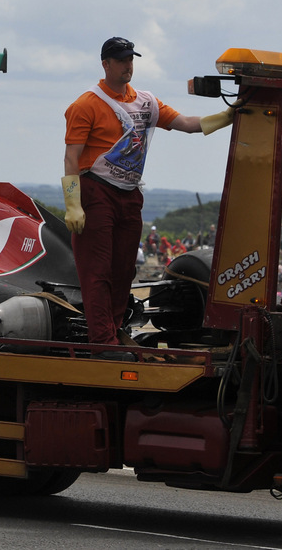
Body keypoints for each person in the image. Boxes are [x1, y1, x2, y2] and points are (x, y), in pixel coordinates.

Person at [62, 36, 235, 351]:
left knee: (125, 268)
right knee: (97, 270)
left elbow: (185, 122)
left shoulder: (146, 101)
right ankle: (103, 341)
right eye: (121, 59)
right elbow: (71, 158)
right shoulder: (85, 104)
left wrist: (227, 117)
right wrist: (73, 204)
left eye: (131, 59)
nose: (128, 65)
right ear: (106, 64)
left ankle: (113, 330)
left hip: (129, 194)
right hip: (96, 190)